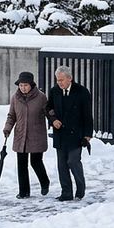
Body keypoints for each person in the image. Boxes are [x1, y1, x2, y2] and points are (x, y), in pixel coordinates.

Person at [46, 66, 93, 201]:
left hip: (76, 134)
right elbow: (48, 108)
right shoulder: (54, 91)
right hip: (60, 133)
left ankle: (80, 189)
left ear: (70, 78)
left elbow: (87, 114)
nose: (59, 83)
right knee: (62, 165)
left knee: (73, 161)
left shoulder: (82, 92)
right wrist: (53, 120)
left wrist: (87, 135)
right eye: (57, 80)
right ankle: (66, 193)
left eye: (61, 80)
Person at [3, 71, 50, 198]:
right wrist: (7, 128)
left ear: (31, 85)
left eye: (25, 85)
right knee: (21, 164)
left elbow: (49, 113)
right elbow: (11, 116)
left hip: (36, 135)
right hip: (21, 135)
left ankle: (45, 182)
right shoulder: (15, 98)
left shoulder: (41, 97)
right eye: (21, 85)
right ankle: (24, 192)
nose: (23, 88)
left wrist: (55, 122)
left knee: (36, 162)